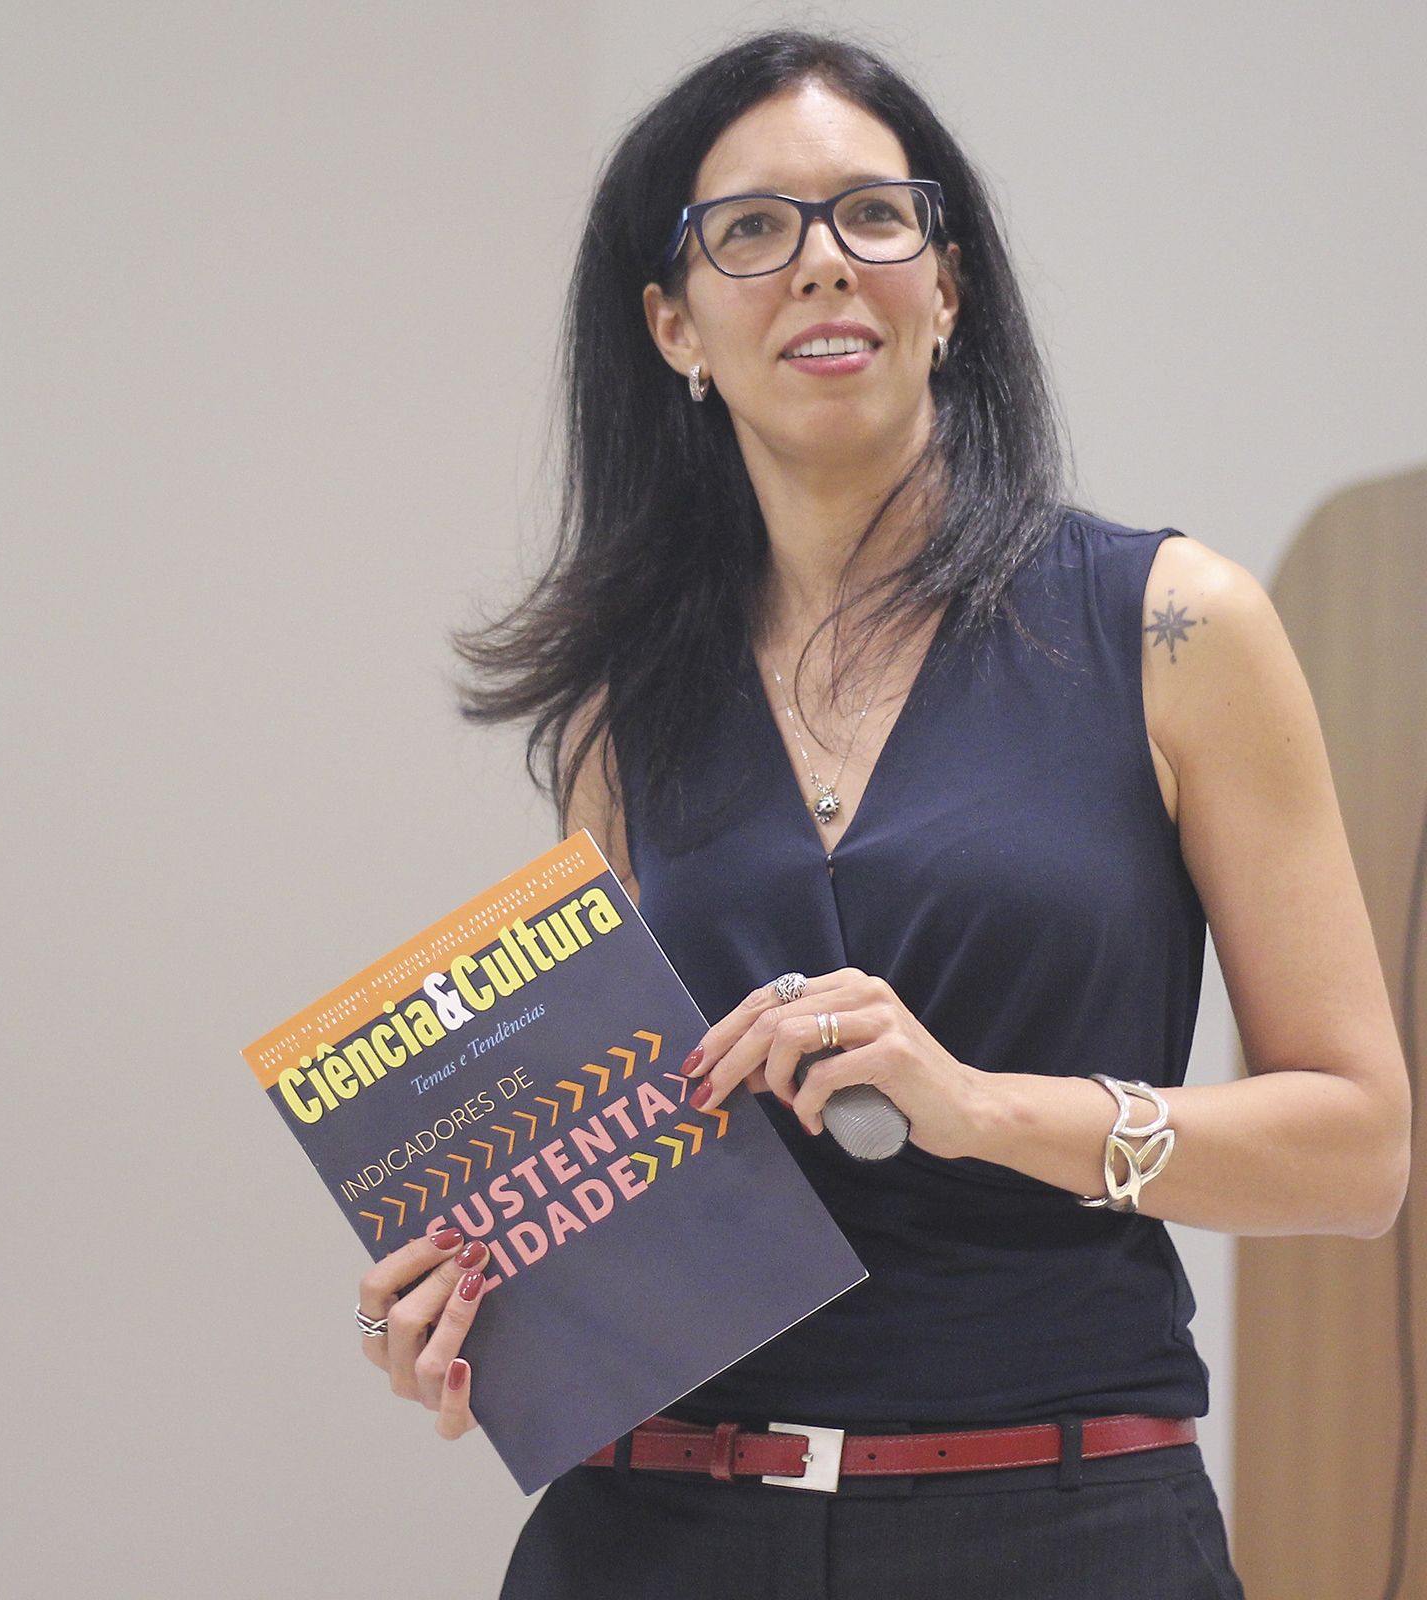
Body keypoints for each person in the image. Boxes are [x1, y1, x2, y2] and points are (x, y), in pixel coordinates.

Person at [355, 30, 1410, 1599]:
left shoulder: (1174, 625)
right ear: (672, 324)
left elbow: (1360, 1151)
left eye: (872, 214)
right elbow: (635, 1181)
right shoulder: (620, 708)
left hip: (1062, 1526)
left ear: (949, 286)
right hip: (656, 1531)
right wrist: (477, 1307)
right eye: (751, 228)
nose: (822, 261)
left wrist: (981, 1110)